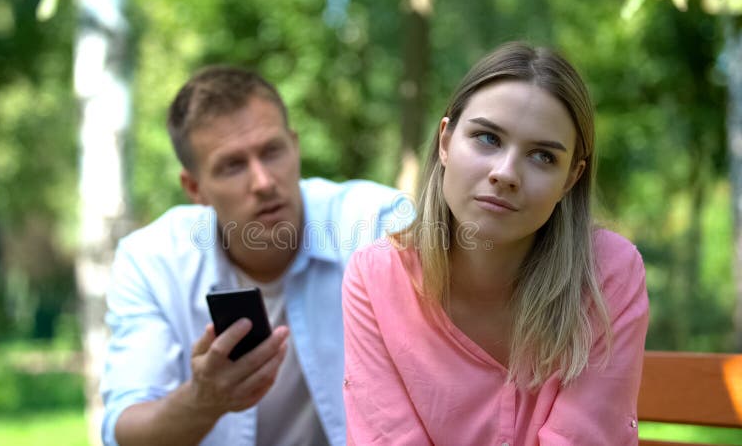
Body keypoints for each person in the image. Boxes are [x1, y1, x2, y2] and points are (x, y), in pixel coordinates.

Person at [342, 42, 649, 445]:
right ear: (446, 142)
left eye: (542, 157)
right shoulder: (374, 279)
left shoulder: (608, 273)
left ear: (570, 179)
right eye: (487, 138)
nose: (506, 174)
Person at [100, 65, 411, 446]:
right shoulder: (151, 261)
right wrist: (203, 400)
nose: (263, 182)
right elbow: (124, 429)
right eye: (232, 166)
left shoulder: (376, 224)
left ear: (295, 146)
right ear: (194, 187)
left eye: (272, 151)